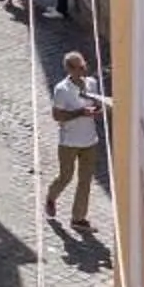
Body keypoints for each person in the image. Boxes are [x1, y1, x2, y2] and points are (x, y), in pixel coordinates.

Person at [46, 51, 111, 231]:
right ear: (70, 69)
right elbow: (57, 115)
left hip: (90, 140)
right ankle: (51, 197)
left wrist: (98, 110)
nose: (84, 70)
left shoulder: (92, 83)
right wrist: (80, 113)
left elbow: (96, 105)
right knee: (65, 177)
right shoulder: (62, 90)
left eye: (84, 66)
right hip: (69, 142)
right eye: (80, 67)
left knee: (85, 181)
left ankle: (78, 218)